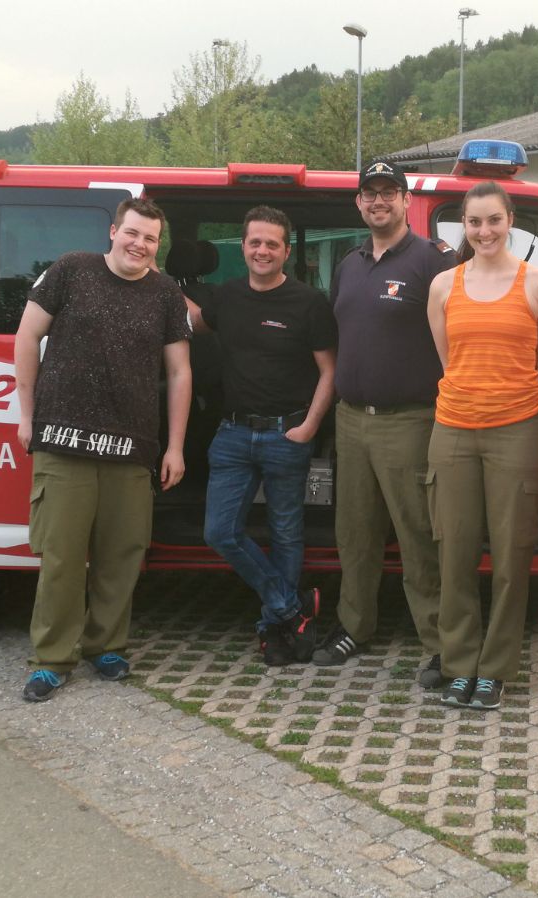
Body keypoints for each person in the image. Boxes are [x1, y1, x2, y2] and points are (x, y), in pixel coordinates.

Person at [14, 197, 192, 702]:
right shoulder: (72, 269)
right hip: (63, 442)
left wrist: (175, 447)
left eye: (150, 238)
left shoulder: (166, 293)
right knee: (62, 559)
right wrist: (26, 415)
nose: (139, 244)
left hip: (132, 448)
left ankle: (106, 646)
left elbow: (180, 372)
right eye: (132, 233)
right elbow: (27, 337)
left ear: (158, 246)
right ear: (114, 232)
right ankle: (52, 659)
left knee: (121, 556)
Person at [313, 161, 459, 684]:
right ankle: (355, 626)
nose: (379, 201)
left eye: (389, 192)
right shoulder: (349, 265)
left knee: (419, 535)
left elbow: (459, 334)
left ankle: (442, 644)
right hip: (351, 421)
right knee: (355, 533)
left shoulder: (434, 261)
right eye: (370, 193)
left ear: (405, 200)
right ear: (358, 203)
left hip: (410, 422)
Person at [425, 180, 538, 711]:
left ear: (511, 221)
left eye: (494, 220)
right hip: (453, 431)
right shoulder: (443, 286)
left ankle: (495, 669)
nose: (484, 231)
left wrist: (511, 406)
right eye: (475, 222)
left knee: (511, 556)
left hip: (516, 433)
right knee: (455, 552)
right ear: (464, 225)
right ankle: (459, 663)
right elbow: (449, 361)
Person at [188, 206, 336, 666]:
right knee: (219, 531)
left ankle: (274, 631)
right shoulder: (228, 296)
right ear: (244, 246)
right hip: (232, 434)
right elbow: (191, 321)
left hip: (285, 434)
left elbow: (330, 371)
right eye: (255, 242)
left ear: (286, 251)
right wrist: (152, 277)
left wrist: (308, 427)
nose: (262, 250)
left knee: (286, 533)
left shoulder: (308, 302)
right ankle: (292, 609)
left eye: (272, 243)